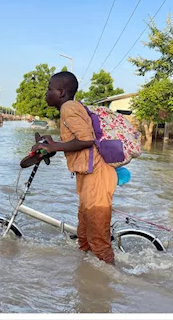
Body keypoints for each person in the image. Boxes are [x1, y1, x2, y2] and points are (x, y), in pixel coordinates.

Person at [37, 70, 116, 265]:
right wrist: (53, 142)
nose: (46, 93)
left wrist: (55, 146)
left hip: (97, 175)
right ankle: (87, 282)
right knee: (84, 236)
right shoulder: (70, 109)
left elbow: (87, 140)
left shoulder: (68, 108)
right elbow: (76, 141)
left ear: (61, 92)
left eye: (49, 89)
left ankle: (110, 283)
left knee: (97, 237)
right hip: (87, 175)